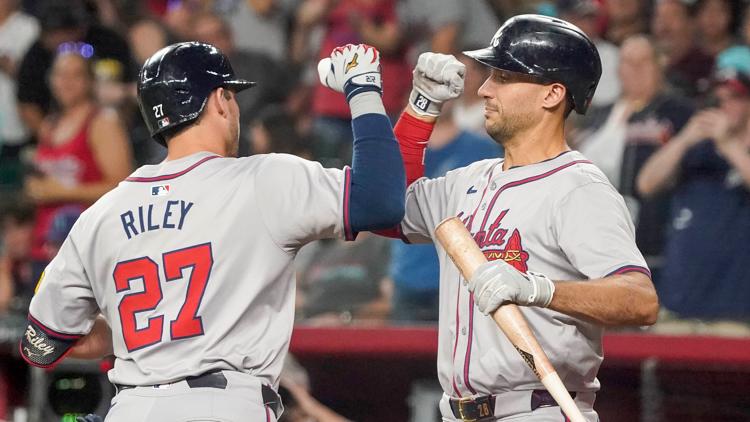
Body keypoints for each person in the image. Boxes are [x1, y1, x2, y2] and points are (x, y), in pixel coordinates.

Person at [19, 41, 404, 422]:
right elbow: (380, 201)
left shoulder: (100, 214)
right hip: (224, 406)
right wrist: (363, 89)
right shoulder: (261, 180)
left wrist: (137, 334)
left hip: (130, 408)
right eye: (232, 97)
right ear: (220, 100)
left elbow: (40, 346)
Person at [388, 15, 658, 421]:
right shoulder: (467, 181)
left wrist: (540, 290)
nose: (483, 89)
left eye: (503, 76)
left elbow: (640, 300)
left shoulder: (578, 187)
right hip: (456, 411)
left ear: (552, 94)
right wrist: (420, 108)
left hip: (536, 408)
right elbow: (383, 208)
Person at [636, 68, 750, 325]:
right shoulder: (696, 151)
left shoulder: (738, 151)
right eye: (717, 98)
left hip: (737, 310)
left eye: (733, 97)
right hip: (680, 303)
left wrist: (729, 145)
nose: (723, 105)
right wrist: (685, 139)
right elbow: (646, 184)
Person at [24, 51, 133, 265]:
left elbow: (122, 187)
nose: (67, 83)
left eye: (76, 75)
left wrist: (60, 192)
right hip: (45, 246)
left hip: (86, 247)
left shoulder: (102, 123)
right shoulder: (49, 124)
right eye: (61, 75)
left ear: (90, 81)